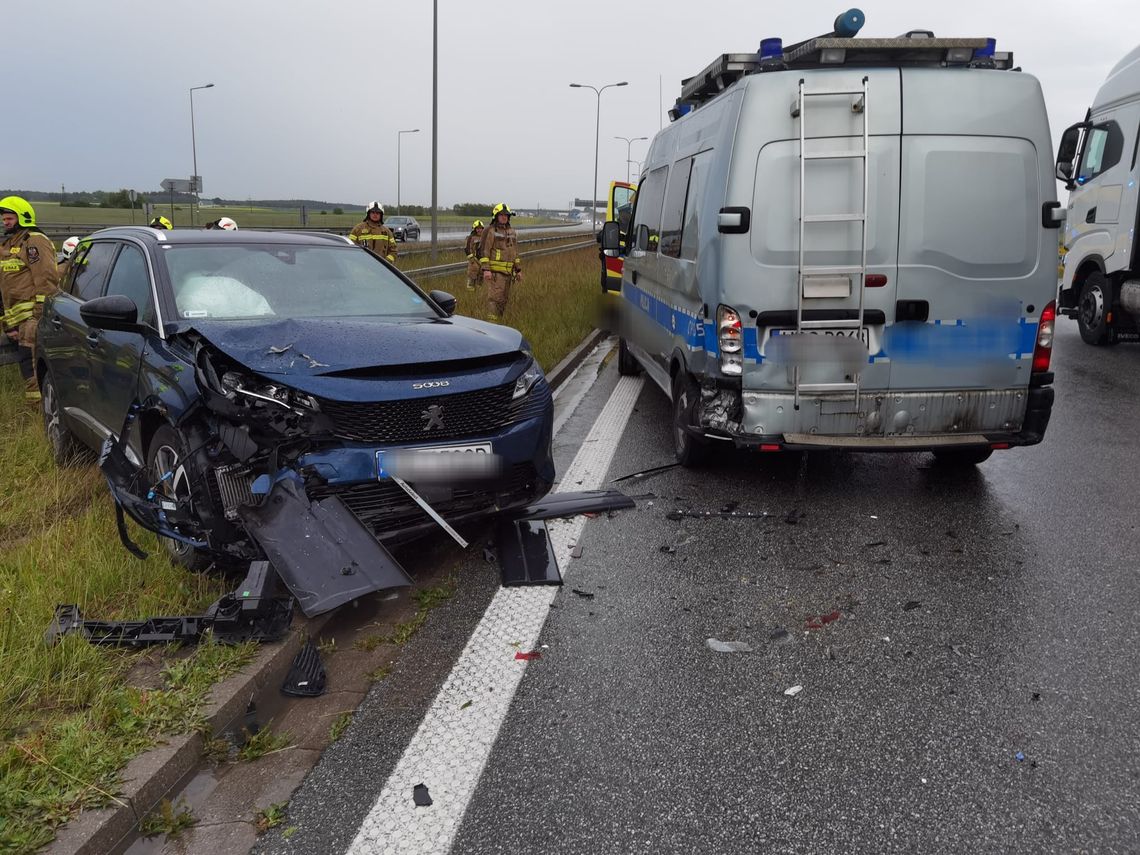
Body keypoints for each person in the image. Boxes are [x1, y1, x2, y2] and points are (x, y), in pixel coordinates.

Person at [0, 196, 60, 402]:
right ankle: (39, 410)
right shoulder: (8, 245)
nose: (5, 222)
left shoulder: (34, 242)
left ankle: (41, 413)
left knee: (32, 367)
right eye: (4, 219)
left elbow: (47, 281)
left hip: (32, 320)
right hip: (16, 322)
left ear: (23, 217)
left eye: (9, 218)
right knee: (27, 366)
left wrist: (37, 316)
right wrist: (8, 323)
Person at [478, 203, 522, 319]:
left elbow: (515, 252)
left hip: (508, 273)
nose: (504, 217)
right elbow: (483, 251)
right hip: (495, 273)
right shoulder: (490, 230)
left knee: (504, 300)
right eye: (501, 215)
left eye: (506, 215)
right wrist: (486, 269)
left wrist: (518, 270)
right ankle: (492, 323)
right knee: (495, 299)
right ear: (496, 216)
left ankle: (499, 321)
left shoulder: (512, 232)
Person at [465, 219, 485, 290]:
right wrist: (472, 259)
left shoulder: (484, 237)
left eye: (480, 228)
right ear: (475, 229)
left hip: (482, 261)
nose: (479, 230)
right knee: (472, 278)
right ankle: (470, 294)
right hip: (474, 262)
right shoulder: (471, 238)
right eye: (477, 229)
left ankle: (478, 296)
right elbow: (467, 249)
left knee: (481, 279)